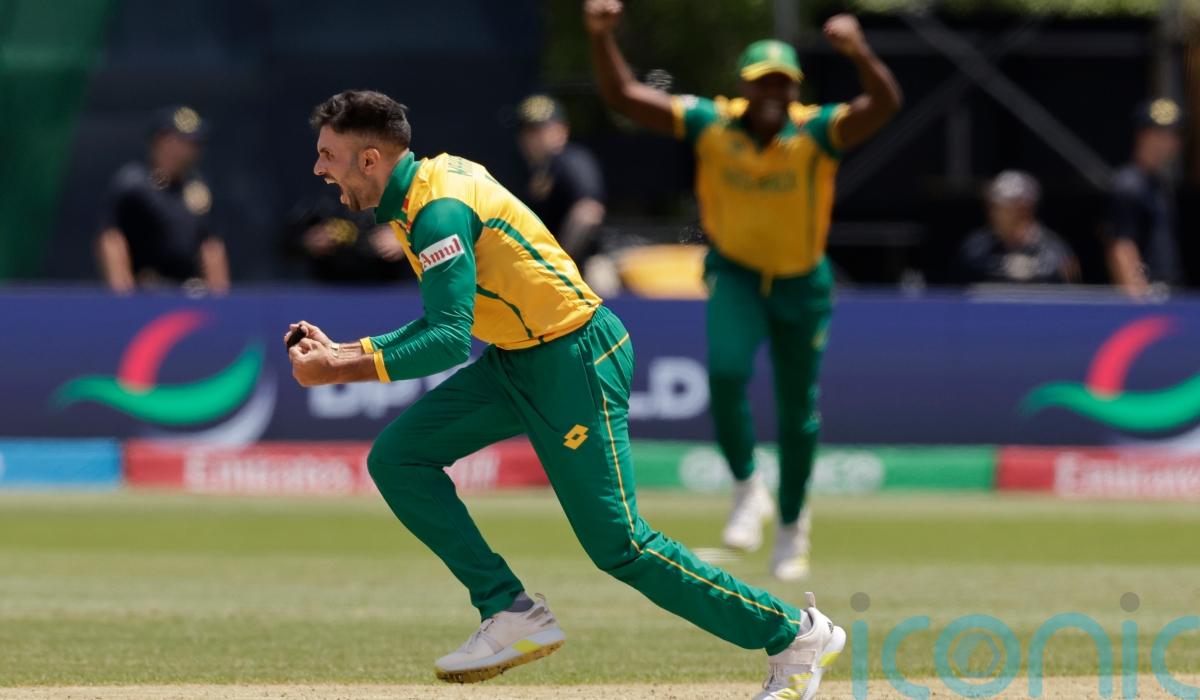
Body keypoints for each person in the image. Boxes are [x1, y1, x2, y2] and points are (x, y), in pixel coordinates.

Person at [286, 89, 845, 700]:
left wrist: (342, 370)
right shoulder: (424, 189)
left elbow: (448, 340)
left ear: (370, 159)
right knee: (399, 458)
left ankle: (794, 634)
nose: (318, 168)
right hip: (520, 358)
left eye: (328, 154)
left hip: (574, 357)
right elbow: (448, 319)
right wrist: (345, 351)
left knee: (622, 546)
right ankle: (510, 612)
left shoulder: (437, 210)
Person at [586, 0, 901, 580]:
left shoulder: (816, 131)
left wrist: (859, 51)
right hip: (736, 274)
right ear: (744, 87)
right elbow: (625, 97)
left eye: (783, 83)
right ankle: (747, 489)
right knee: (727, 373)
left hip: (801, 285)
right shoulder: (711, 123)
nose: (773, 93)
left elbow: (884, 105)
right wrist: (602, 35)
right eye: (762, 83)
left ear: (795, 89)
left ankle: (792, 528)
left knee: (798, 412)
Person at [95, 106, 230, 294]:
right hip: (145, 293)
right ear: (161, 141)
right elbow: (112, 240)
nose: (192, 149)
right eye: (185, 141)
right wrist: (123, 296)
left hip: (191, 294)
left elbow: (210, 246)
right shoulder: (134, 184)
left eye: (196, 143)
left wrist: (220, 298)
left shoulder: (198, 188)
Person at [1104, 98, 1185, 298]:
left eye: (1174, 134)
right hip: (1149, 295)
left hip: (1168, 293)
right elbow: (1121, 245)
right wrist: (1138, 297)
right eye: (1161, 134)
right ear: (1142, 136)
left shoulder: (1159, 185)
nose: (1170, 142)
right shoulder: (1128, 184)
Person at [515, 94, 607, 270]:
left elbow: (588, 212)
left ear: (562, 130)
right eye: (528, 130)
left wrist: (559, 263)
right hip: (550, 271)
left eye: (541, 129)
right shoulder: (533, 171)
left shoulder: (572, 160)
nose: (533, 137)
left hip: (586, 267)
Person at [958, 170, 1079, 285]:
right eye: (992, 206)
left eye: (1003, 207)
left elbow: (1066, 285)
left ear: (1026, 208)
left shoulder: (1053, 249)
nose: (993, 212)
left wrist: (1030, 272)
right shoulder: (977, 247)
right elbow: (961, 286)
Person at [280, 192, 412, 284]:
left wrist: (405, 242)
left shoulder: (399, 197)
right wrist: (308, 242)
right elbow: (285, 244)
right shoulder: (322, 201)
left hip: (389, 291)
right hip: (328, 292)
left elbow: (423, 235)